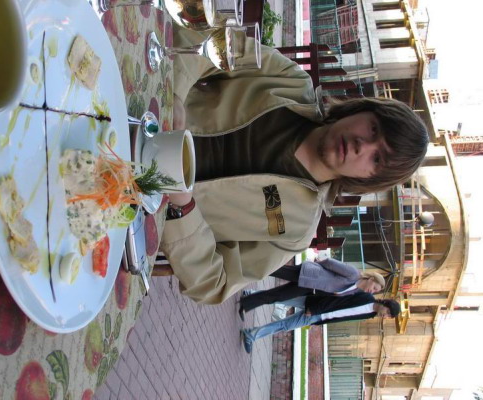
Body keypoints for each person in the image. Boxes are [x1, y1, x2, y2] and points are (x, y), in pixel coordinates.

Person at [159, 27, 429, 305]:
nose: (363, 146)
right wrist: (175, 96)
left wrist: (182, 207)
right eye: (373, 129)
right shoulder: (289, 81)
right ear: (361, 110)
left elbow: (214, 283)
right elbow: (212, 43)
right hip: (147, 112)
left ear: (369, 179)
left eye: (377, 159)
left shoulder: (297, 229)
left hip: (145, 201)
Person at [240, 293, 400, 354]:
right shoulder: (366, 298)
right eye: (387, 313)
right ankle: (251, 299)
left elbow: (340, 316)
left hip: (318, 316)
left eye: (388, 317)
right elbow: (337, 300)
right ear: (385, 304)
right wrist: (315, 309)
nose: (385, 316)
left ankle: (251, 332)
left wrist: (319, 319)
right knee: (281, 297)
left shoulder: (369, 314)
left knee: (285, 323)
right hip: (317, 306)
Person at [238, 258, 385, 320]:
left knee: (278, 296)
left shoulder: (354, 291)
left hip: (308, 288)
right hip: (309, 274)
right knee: (276, 271)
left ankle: (246, 304)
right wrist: (316, 266)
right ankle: (245, 265)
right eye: (374, 287)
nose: (372, 291)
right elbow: (330, 263)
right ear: (371, 279)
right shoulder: (353, 274)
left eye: (375, 291)